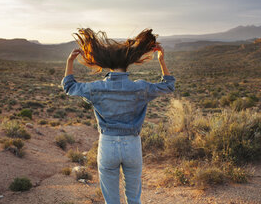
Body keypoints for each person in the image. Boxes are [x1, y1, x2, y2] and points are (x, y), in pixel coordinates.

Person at [61, 28, 175, 204]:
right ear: (128, 62)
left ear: (108, 63)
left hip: (107, 145)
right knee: (134, 199)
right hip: (132, 145)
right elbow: (168, 86)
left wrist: (70, 62)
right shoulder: (141, 87)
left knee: (112, 201)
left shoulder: (96, 87)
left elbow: (69, 86)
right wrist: (161, 61)